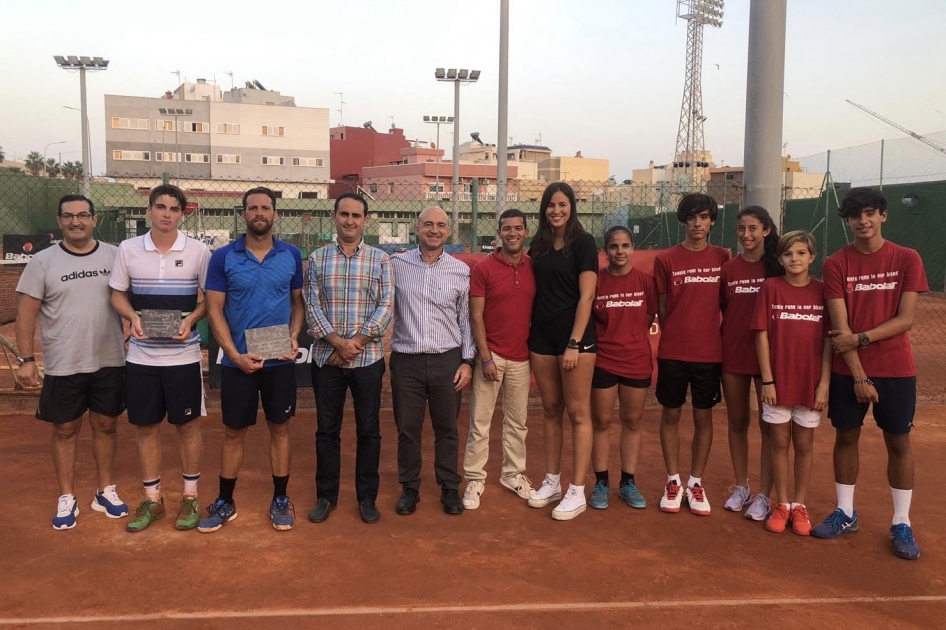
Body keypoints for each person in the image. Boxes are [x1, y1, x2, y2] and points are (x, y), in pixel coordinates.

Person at [813, 187, 928, 560]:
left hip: (896, 370)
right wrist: (860, 376)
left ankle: (901, 521)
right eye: (854, 215)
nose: (862, 221)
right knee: (845, 438)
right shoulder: (835, 263)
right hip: (852, 373)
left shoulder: (907, 259)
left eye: (869, 213)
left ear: (883, 216)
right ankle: (846, 512)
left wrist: (861, 339)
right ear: (847, 221)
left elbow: (905, 320)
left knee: (899, 443)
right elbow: (838, 328)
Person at [15, 194, 128, 530]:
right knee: (65, 429)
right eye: (68, 216)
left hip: (109, 358)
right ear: (60, 221)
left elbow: (134, 296)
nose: (76, 221)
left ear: (94, 219)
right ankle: (67, 495)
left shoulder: (115, 256)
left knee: (106, 426)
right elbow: (26, 313)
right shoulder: (42, 262)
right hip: (65, 362)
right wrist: (26, 359)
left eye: (82, 215)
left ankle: (104, 490)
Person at [199, 186, 305, 533]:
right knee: (233, 432)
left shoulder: (291, 254)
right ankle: (225, 501)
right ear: (243, 214)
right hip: (238, 364)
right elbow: (214, 309)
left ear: (275, 215)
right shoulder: (223, 257)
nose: (259, 213)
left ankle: (280, 499)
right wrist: (232, 354)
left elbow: (297, 304)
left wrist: (292, 336)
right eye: (253, 208)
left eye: (265, 208)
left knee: (280, 428)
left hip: (279, 363)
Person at [109, 184, 210, 533]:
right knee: (146, 427)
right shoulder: (128, 249)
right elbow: (117, 295)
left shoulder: (198, 251)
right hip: (141, 357)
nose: (167, 214)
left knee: (188, 427)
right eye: (161, 207)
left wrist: (192, 319)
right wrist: (132, 318)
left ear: (183, 213)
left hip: (183, 356)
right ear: (149, 209)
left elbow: (209, 300)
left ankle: (190, 496)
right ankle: (153, 500)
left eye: (174, 208)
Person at [304, 192, 394, 525]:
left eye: (357, 215)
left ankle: (367, 497)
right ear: (335, 217)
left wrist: (353, 343)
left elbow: (385, 307)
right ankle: (326, 496)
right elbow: (312, 306)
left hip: (367, 361)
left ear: (365, 221)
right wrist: (337, 343)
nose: (350, 221)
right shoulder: (317, 259)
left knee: (369, 431)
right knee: (327, 431)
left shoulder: (380, 260)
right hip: (327, 361)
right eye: (344, 214)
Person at [390, 206, 475, 516]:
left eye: (440, 225)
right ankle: (409, 488)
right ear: (417, 229)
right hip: (406, 361)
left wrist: (467, 361)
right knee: (408, 429)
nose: (434, 230)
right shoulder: (396, 265)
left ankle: (449, 488)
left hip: (448, 360)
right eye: (428, 224)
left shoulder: (460, 270)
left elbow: (466, 319)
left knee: (447, 428)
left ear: (448, 231)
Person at [653, 193, 730, 515]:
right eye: (691, 218)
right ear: (683, 221)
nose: (697, 224)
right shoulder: (666, 260)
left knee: (703, 417)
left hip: (709, 354)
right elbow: (661, 307)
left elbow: (726, 304)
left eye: (703, 217)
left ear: (712, 221)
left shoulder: (723, 258)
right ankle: (673, 481)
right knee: (670, 415)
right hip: (673, 352)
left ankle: (696, 483)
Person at [525, 182, 598, 521]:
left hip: (574, 340)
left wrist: (574, 342)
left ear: (572, 207)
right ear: (544, 209)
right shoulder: (538, 245)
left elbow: (587, 297)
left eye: (562, 204)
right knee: (551, 409)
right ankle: (552, 481)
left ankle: (577, 490)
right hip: (541, 338)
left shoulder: (583, 243)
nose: (556, 210)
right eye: (551, 205)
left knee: (578, 413)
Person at [752, 231, 831, 536]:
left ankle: (800, 505)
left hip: (809, 384)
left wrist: (823, 384)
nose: (794, 259)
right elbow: (761, 335)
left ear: (812, 257)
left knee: (804, 444)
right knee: (778, 442)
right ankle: (782, 503)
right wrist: (768, 380)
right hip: (777, 383)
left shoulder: (823, 291)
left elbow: (828, 342)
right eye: (788, 254)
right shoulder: (771, 288)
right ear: (780, 259)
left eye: (801, 253)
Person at [462, 208, 537, 510]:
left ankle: (512, 474)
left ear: (525, 232)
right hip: (490, 358)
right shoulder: (484, 269)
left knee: (518, 422)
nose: (512, 233)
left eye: (518, 228)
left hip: (522, 359)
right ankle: (474, 479)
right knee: (480, 422)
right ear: (498, 233)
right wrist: (486, 357)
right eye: (506, 228)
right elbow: (475, 315)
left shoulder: (534, 268)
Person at [720, 206, 782, 521]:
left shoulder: (778, 268)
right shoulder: (728, 270)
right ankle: (741, 486)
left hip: (769, 359)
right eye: (742, 229)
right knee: (737, 422)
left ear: (766, 231)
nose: (747, 235)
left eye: (753, 228)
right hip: (733, 354)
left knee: (769, 426)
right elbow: (723, 308)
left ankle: (764, 495)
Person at [588, 226, 657, 511]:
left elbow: (650, 315)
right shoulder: (596, 282)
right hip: (603, 360)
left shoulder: (645, 281)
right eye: (614, 247)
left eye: (625, 246)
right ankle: (601, 482)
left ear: (633, 248)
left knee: (632, 421)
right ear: (605, 252)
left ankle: (628, 482)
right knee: (602, 422)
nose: (620, 251)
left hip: (636, 361)